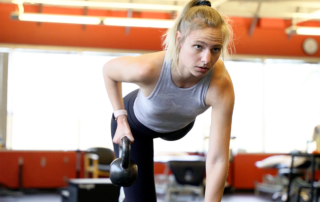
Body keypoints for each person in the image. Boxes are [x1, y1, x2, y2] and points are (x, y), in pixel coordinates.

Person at [102, 0, 235, 201]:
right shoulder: (148, 68)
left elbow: (217, 158)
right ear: (179, 40)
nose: (207, 59)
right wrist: (120, 118)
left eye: (215, 49)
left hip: (177, 128)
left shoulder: (220, 84)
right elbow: (109, 71)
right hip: (135, 126)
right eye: (198, 46)